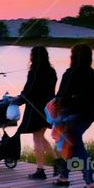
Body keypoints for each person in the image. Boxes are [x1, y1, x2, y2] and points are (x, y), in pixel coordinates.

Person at [52, 44, 94, 188]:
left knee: (78, 148)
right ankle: (63, 177)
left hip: (70, 116)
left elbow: (61, 96)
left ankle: (90, 183)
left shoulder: (71, 73)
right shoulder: (92, 73)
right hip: (87, 116)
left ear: (74, 56)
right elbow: (93, 97)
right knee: (71, 145)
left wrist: (57, 113)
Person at [15, 46, 58, 180]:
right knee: (41, 136)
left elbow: (30, 90)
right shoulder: (51, 71)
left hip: (36, 108)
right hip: (49, 108)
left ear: (34, 57)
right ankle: (58, 163)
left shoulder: (34, 72)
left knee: (37, 138)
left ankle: (40, 170)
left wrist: (19, 99)